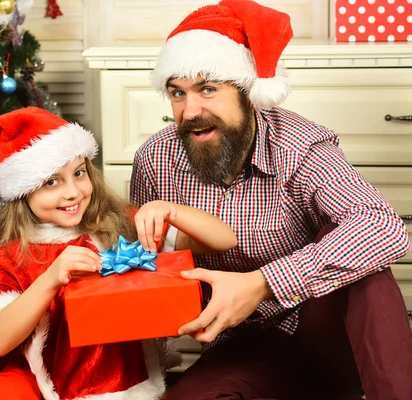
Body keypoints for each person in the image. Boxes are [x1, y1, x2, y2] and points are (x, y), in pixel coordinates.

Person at [130, 1, 412, 399]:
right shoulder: (155, 160)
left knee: (368, 268)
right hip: (240, 346)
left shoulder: (300, 145)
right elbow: (149, 272)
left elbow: (384, 228)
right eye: (178, 93)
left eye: (208, 89)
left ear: (248, 92)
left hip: (325, 330)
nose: (190, 110)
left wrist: (262, 284)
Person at [0, 107, 237, 400]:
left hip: (126, 384)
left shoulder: (117, 226)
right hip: (44, 383)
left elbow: (224, 239)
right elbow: (0, 343)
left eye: (79, 173)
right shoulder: (12, 257)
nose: (73, 192)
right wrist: (51, 279)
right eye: (51, 182)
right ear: (22, 193)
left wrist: (171, 210)